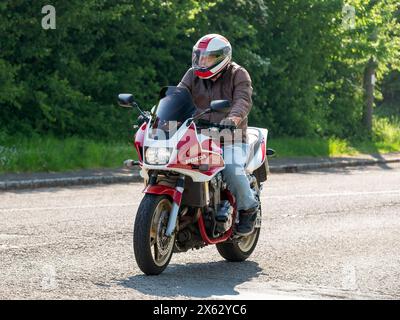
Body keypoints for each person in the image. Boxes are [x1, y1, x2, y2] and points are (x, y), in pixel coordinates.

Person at [178, 34, 259, 236]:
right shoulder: (192, 75)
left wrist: (233, 119)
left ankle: (248, 208)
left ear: (222, 57)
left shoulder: (238, 74)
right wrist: (159, 116)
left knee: (231, 168)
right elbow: (178, 96)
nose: (202, 61)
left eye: (208, 57)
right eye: (199, 56)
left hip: (230, 137)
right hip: (198, 136)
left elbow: (243, 100)